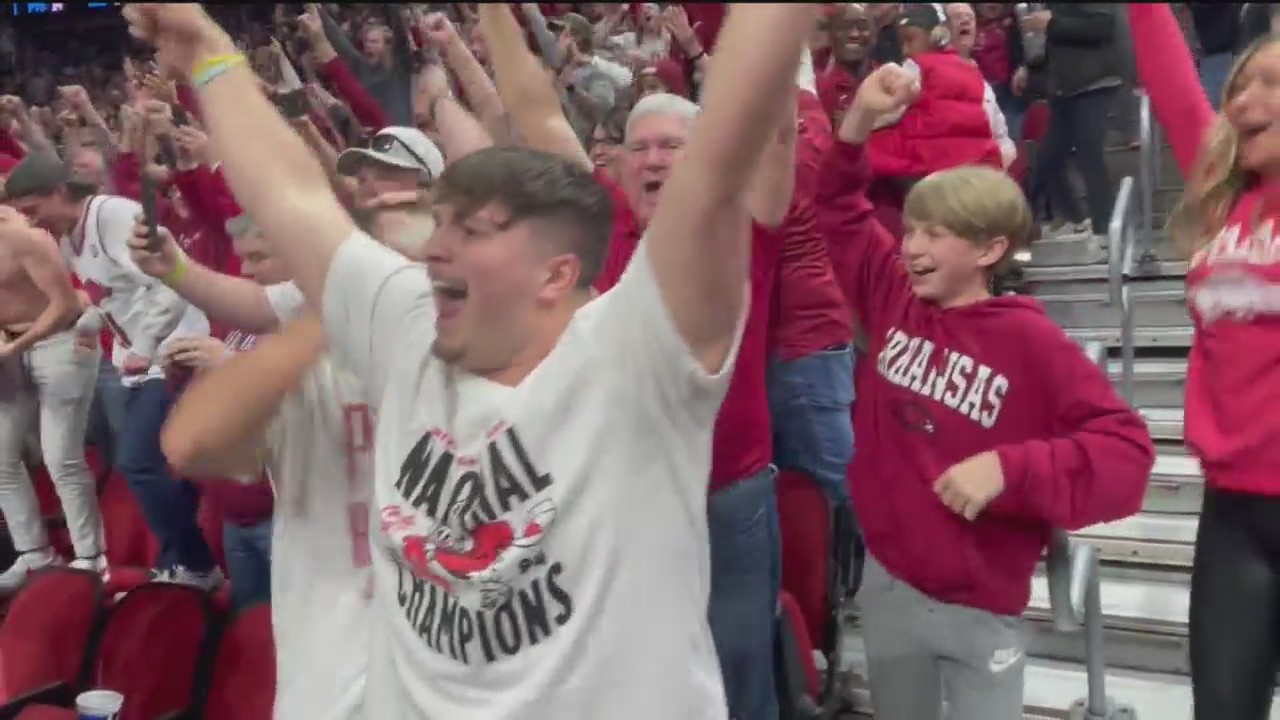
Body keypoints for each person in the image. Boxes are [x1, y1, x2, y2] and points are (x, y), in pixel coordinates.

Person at [124, 4, 817, 719]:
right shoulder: (409, 325)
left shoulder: (634, 353)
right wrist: (206, 50)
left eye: (473, 232)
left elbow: (720, 162)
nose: (435, 247)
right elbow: (292, 197)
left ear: (555, 274)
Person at [817, 62, 1153, 720]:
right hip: (890, 581)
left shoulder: (1030, 342)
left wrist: (1009, 469)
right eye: (911, 229)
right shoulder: (894, 298)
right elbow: (837, 211)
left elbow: (1127, 453)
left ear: (989, 249)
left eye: (935, 234)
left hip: (980, 602)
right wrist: (856, 124)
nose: (911, 246)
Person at [1128, 6, 1280, 719]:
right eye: (1238, 87)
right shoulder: (1225, 199)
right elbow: (1170, 80)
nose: (1244, 99)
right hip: (1233, 513)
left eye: (1270, 84)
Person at [3, 150, 221, 589]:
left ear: (59, 192)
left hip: (175, 351)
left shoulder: (115, 216)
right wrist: (90, 324)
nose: (31, 223)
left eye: (33, 210)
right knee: (160, 463)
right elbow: (109, 294)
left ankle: (197, 566)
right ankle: (184, 561)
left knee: (138, 461)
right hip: (137, 362)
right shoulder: (68, 237)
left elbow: (172, 282)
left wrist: (144, 346)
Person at [0, 205, 104, 591]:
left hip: (60, 340)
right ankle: (35, 554)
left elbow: (65, 303)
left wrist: (15, 348)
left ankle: (91, 557)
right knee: (1, 458)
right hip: (10, 345)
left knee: (61, 456)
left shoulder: (22, 236)